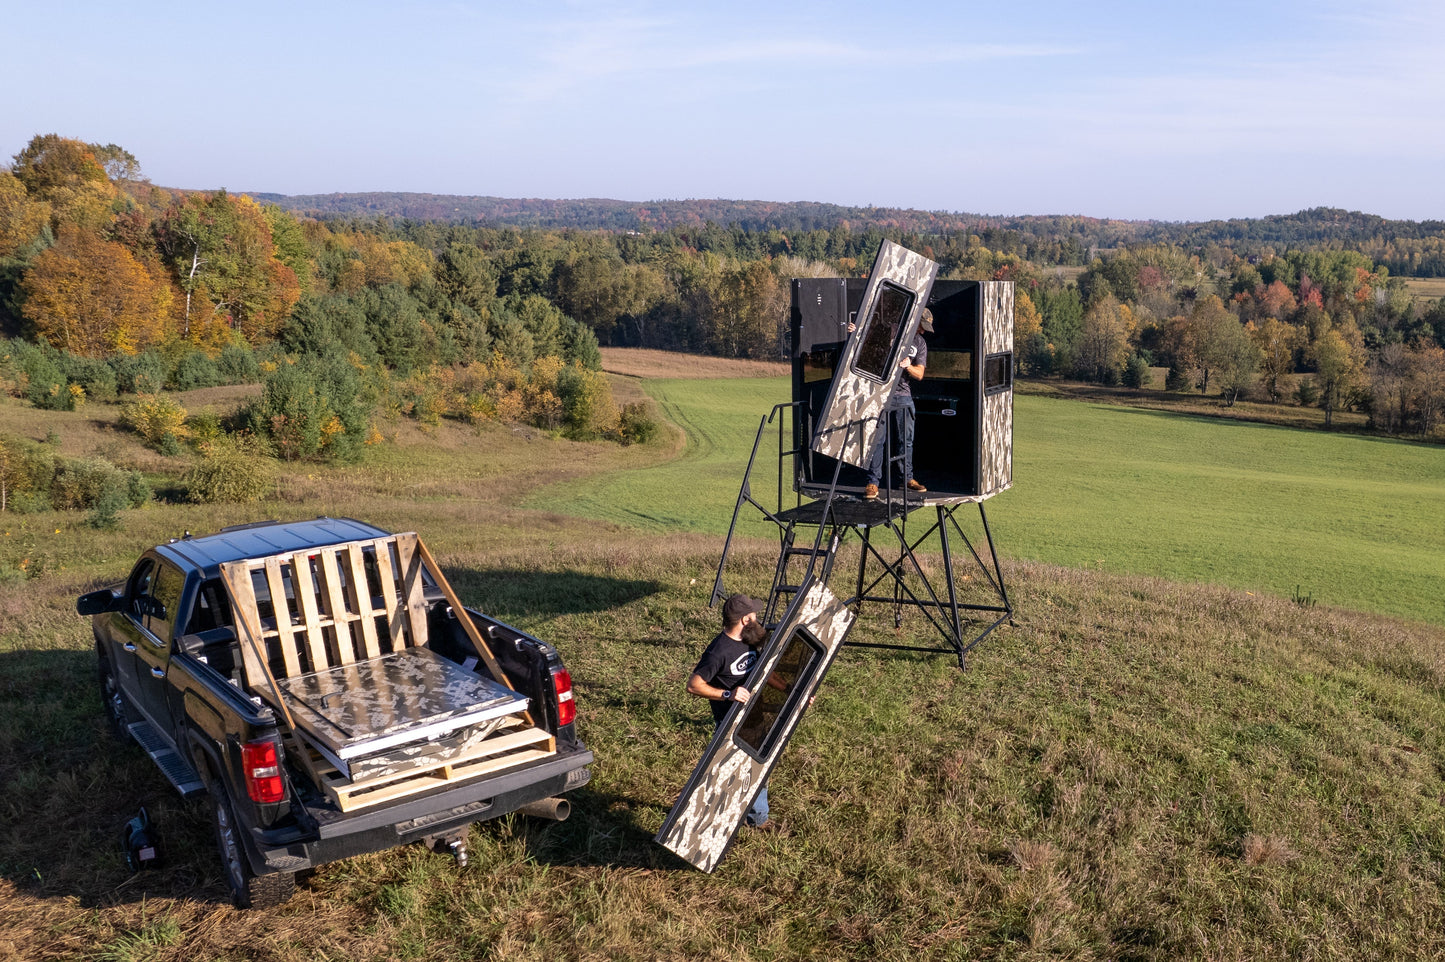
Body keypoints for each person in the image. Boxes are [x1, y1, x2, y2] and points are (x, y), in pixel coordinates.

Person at [686, 592, 776, 830]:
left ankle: (754, 817)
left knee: (756, 767)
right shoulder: (719, 651)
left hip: (754, 718)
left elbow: (765, 671)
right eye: (753, 613)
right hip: (731, 725)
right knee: (735, 773)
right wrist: (728, 694)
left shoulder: (750, 639)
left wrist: (792, 689)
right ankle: (713, 821)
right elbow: (693, 685)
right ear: (745, 619)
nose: (758, 617)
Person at [864, 307, 932, 499]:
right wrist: (853, 333)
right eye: (922, 326)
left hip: (903, 395)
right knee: (877, 440)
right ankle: (872, 483)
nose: (923, 330)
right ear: (915, 319)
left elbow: (920, 374)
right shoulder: (890, 330)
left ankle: (907, 479)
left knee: (906, 440)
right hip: (880, 394)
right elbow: (866, 344)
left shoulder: (920, 343)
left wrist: (908, 366)